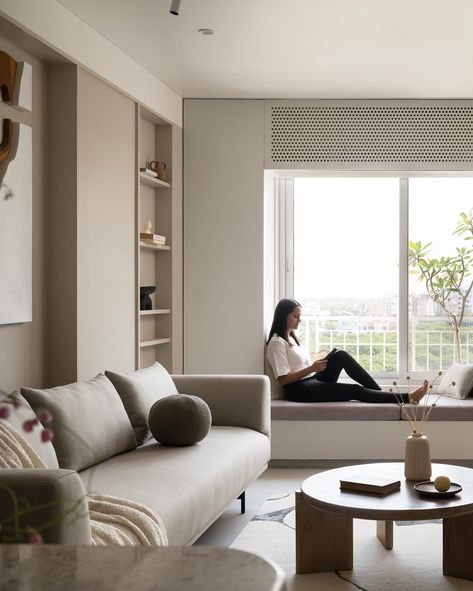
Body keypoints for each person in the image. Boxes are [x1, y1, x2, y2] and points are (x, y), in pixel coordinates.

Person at [266, 298, 428, 404]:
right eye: (296, 316)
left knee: (340, 355)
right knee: (354, 390)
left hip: (311, 380)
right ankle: (407, 397)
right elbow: (283, 380)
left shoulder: (293, 338)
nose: (299, 320)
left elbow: (300, 364)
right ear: (283, 316)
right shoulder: (276, 343)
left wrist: (320, 361)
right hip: (298, 391)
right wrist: (312, 368)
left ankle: (378, 393)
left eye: (300, 316)